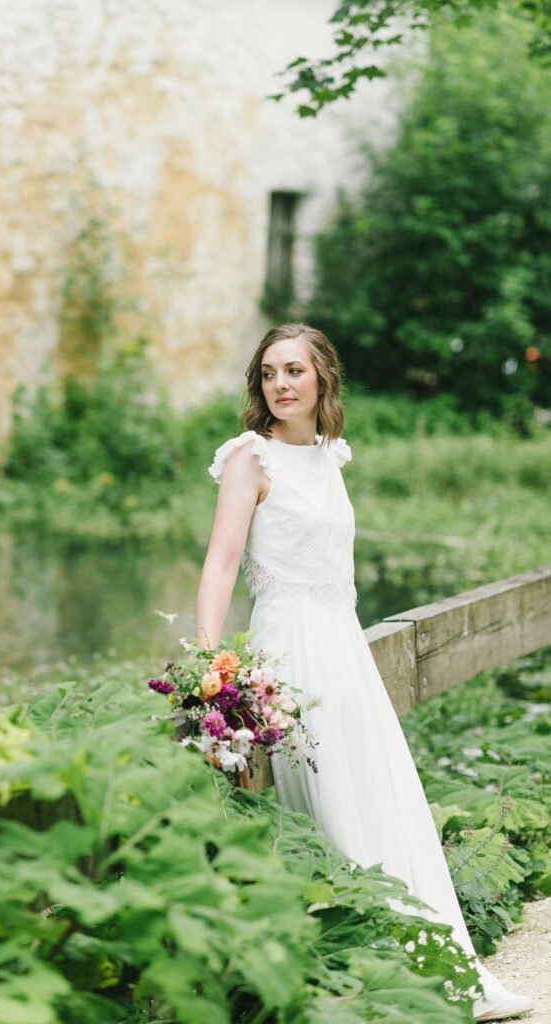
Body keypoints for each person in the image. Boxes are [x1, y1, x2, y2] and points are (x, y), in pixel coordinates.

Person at [195, 322, 533, 1023]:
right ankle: (347, 976)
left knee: (384, 798)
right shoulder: (248, 460)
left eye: (294, 370)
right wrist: (209, 665)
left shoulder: (327, 456)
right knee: (329, 807)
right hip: (289, 651)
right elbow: (223, 562)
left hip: (344, 649)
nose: (280, 384)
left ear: (323, 378)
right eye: (268, 373)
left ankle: (437, 967)